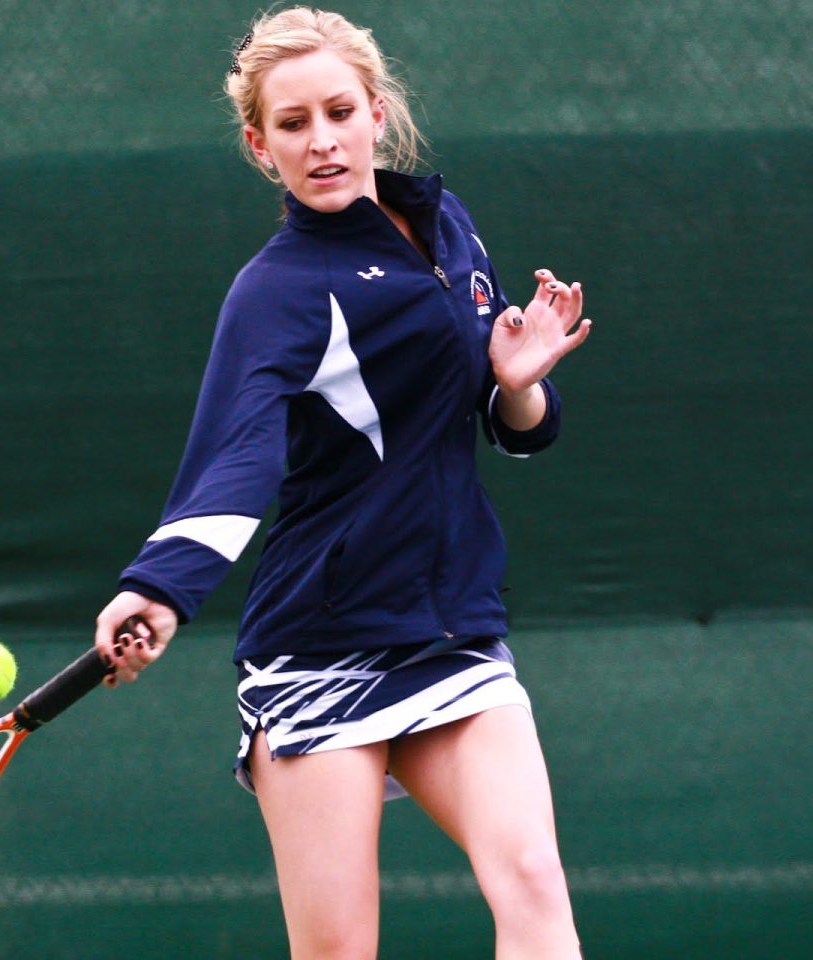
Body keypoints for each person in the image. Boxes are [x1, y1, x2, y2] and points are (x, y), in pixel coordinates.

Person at [95, 7, 591, 959]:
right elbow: (241, 453)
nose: (320, 141)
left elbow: (498, 426)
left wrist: (519, 389)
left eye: (337, 112)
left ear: (376, 111)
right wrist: (156, 589)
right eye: (292, 124)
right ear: (260, 144)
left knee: (532, 884)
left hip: (451, 628)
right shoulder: (278, 290)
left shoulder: (447, 229)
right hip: (320, 648)